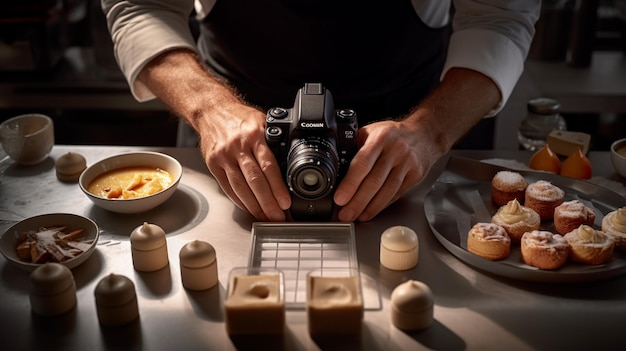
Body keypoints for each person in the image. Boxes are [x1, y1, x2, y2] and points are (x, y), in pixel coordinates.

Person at [101, 0, 541, 222]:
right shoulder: (219, 117)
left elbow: (498, 15)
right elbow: (142, 4)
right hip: (236, 138)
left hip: (408, 138)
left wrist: (429, 133)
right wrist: (210, 110)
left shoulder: (422, 137)